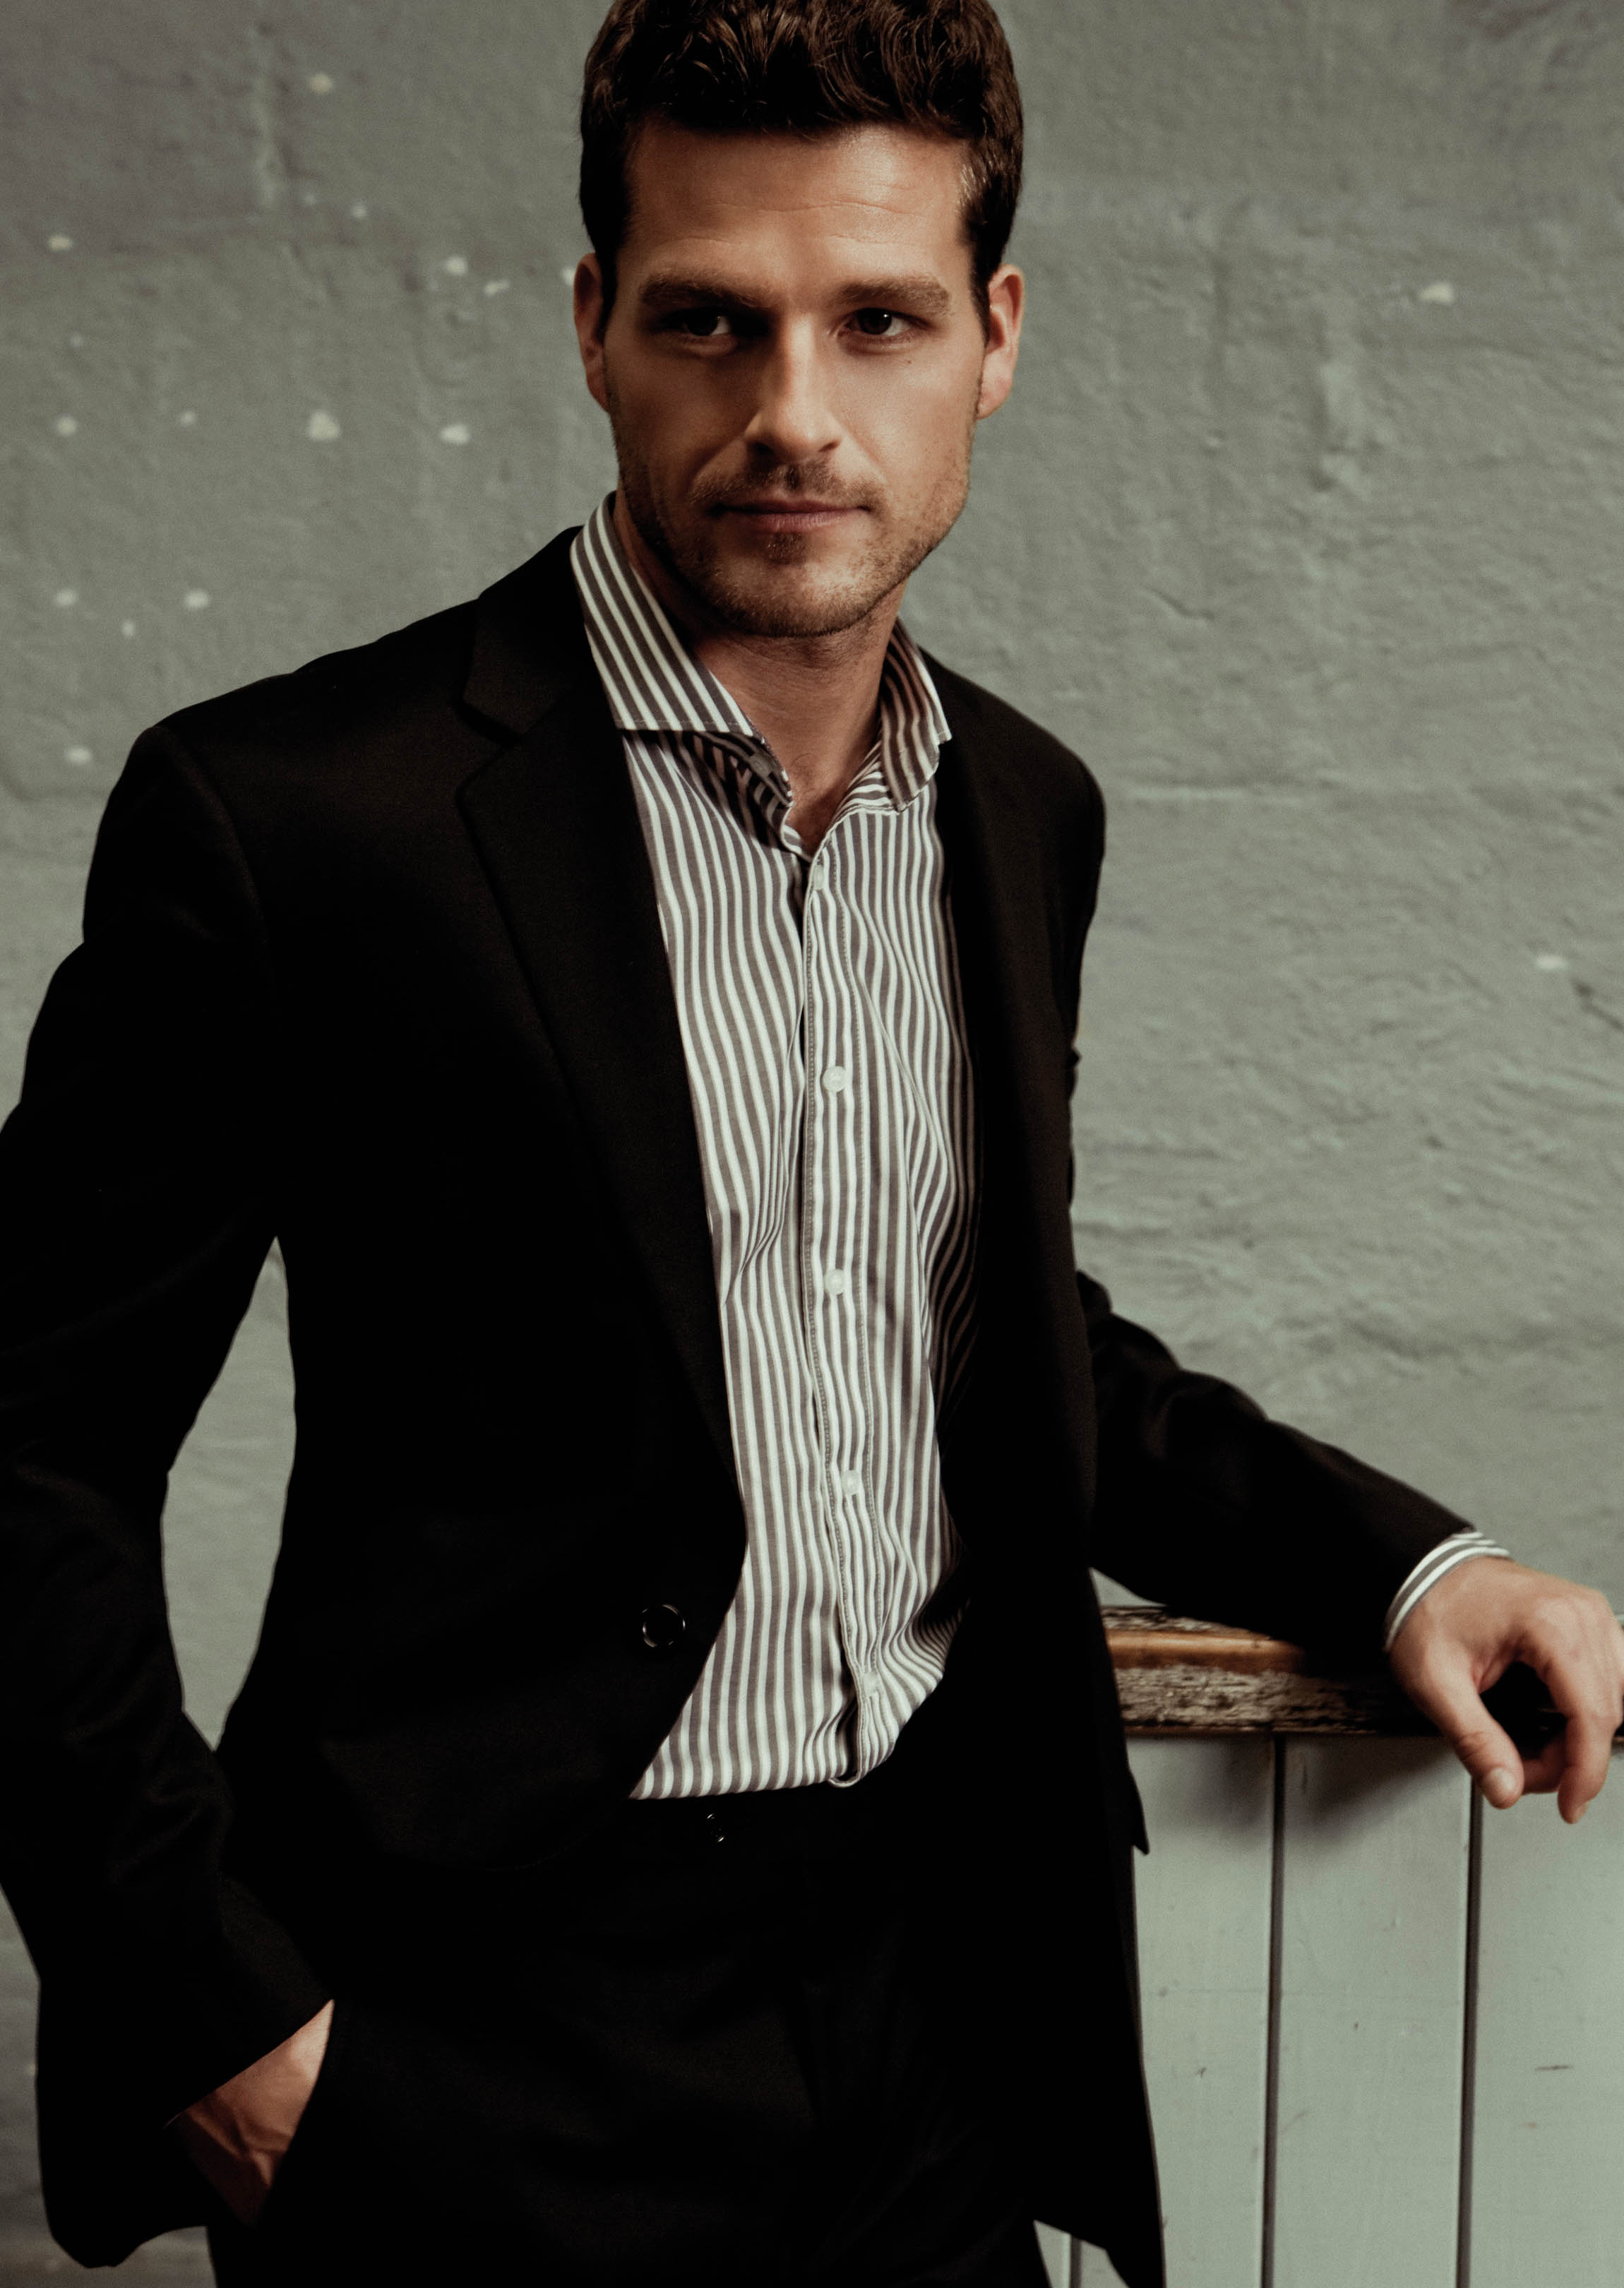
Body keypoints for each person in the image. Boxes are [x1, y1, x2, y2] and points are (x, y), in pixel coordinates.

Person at [2, 2, 1620, 2283]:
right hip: (483, 2031)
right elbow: (25, 1451)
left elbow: (985, 1338)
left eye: (876, 320)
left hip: (933, 1994)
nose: (790, 411)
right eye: (708, 320)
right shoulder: (294, 819)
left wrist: (1412, 1566)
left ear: (994, 337)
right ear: (593, 325)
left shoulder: (1019, 810)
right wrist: (221, 2030)